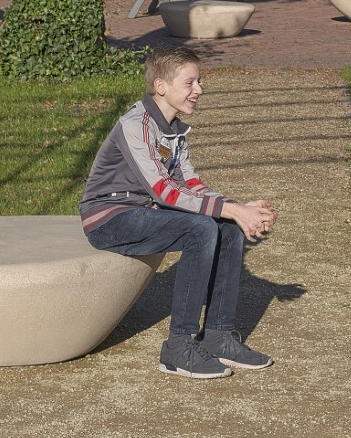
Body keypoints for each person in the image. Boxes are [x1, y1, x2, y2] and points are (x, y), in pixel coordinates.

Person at [80, 45, 278, 379]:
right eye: (190, 83)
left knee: (226, 228)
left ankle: (217, 336)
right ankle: (177, 347)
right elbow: (164, 190)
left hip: (145, 212)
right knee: (200, 229)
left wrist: (238, 210)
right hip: (110, 218)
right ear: (161, 86)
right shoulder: (137, 124)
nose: (198, 89)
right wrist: (230, 209)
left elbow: (192, 185)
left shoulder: (174, 131)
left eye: (198, 82)